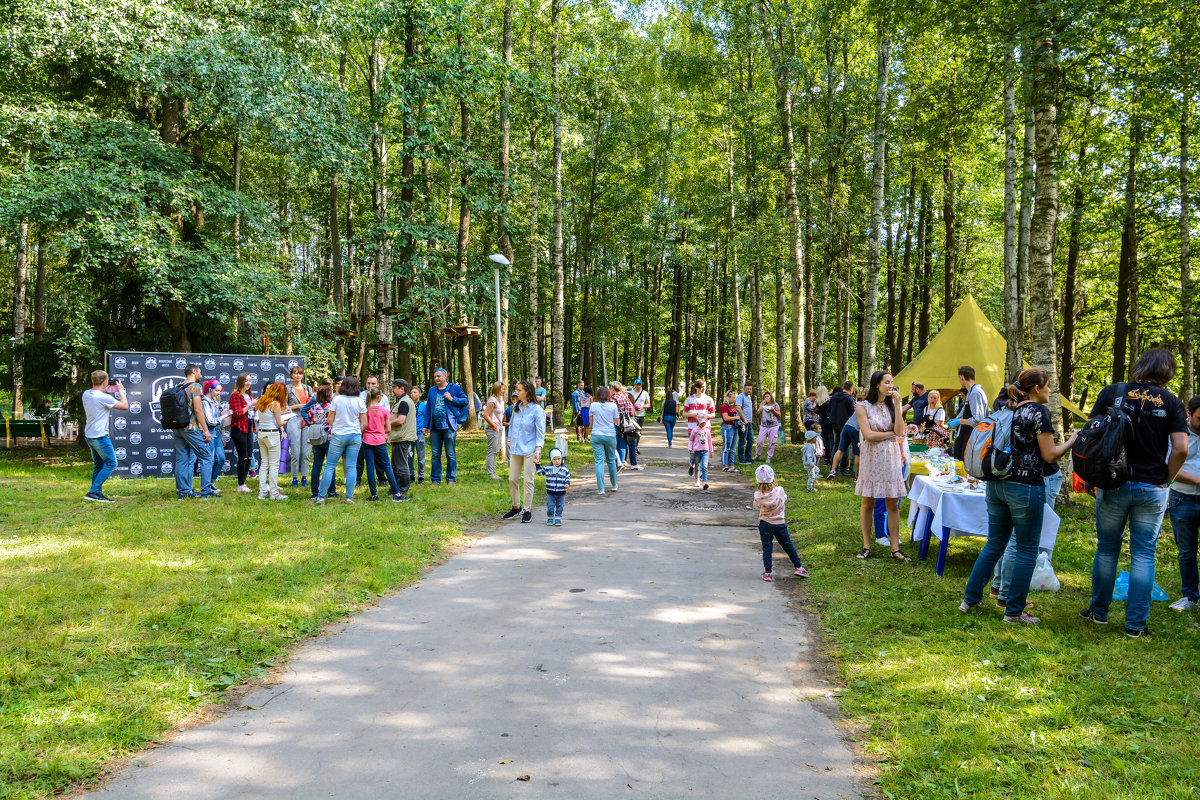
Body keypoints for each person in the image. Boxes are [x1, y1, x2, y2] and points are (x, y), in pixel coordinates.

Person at [1081, 348, 1189, 637]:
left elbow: (1089, 435)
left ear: (1140, 366)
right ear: (1169, 372)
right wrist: (1167, 478)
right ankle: (1135, 625)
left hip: (1114, 481)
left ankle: (1099, 613)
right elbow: (1180, 448)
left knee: (1107, 548)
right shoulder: (1173, 403)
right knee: (1144, 553)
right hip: (1152, 487)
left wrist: (1088, 475)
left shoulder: (1113, 392)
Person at [958, 368, 1079, 624]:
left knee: (994, 543)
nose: (1050, 391)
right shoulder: (1038, 412)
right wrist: (1071, 442)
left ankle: (970, 599)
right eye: (1048, 386)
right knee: (1026, 549)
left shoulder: (1006, 409)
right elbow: (1049, 455)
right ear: (1036, 389)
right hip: (1025, 487)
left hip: (996, 485)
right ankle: (1013, 612)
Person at [853, 371, 908, 561]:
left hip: (891, 457)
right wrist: (891, 434)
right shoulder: (862, 406)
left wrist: (898, 405)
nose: (890, 385)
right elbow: (868, 435)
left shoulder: (893, 405)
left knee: (892, 501)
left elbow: (901, 431)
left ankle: (895, 548)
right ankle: (866, 546)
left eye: (892, 382)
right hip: (871, 456)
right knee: (868, 500)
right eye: (887, 382)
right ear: (877, 384)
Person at [1167, 396, 1200, 612]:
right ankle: (1190, 598)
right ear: (1189, 413)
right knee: (1187, 551)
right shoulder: (1177, 436)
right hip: (1182, 498)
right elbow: (1169, 468)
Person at [315, 376, 367, 504]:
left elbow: (330, 418)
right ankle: (349, 497)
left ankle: (321, 497)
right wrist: (356, 431)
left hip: (338, 435)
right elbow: (365, 423)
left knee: (329, 466)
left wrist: (336, 427)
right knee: (351, 467)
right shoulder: (359, 401)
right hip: (354, 435)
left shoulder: (337, 400)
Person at [753, 464, 808, 581]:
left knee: (767, 548)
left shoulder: (757, 495)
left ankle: (768, 573)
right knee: (788, 545)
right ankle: (798, 567)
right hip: (779, 524)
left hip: (765, 523)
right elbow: (785, 498)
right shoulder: (780, 490)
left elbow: (756, 506)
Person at [171, 364, 216, 500]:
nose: (201, 374)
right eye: (200, 372)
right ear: (194, 371)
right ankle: (206, 491)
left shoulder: (178, 386)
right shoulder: (195, 387)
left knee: (182, 460)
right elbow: (198, 410)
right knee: (206, 457)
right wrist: (206, 430)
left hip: (178, 428)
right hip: (191, 428)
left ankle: (183, 492)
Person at [82, 369, 128, 502]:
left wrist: (106, 389)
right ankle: (92, 490)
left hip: (89, 434)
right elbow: (125, 406)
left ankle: (97, 494)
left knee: (99, 465)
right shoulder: (103, 397)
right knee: (111, 463)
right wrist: (121, 391)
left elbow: (99, 395)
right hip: (99, 435)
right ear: (106, 381)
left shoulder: (86, 394)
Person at [502, 381, 545, 522]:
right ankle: (516, 507)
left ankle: (527, 509)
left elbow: (540, 432)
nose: (517, 392)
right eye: (516, 390)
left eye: (519, 390)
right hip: (516, 448)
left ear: (527, 392)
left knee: (528, 480)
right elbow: (512, 425)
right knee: (512, 478)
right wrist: (509, 440)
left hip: (530, 449)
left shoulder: (537, 410)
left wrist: (538, 450)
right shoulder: (516, 406)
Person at [423, 367, 469, 485]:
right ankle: (435, 479)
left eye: (438, 376)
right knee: (435, 454)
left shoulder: (455, 388)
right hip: (435, 427)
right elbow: (428, 408)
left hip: (449, 426)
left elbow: (465, 401)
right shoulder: (432, 390)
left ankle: (451, 479)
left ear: (445, 376)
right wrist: (425, 425)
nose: (436, 378)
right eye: (435, 377)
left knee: (450, 454)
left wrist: (452, 398)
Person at [361, 386, 402, 502]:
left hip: (367, 440)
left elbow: (363, 426)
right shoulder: (384, 410)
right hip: (379, 441)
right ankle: (396, 493)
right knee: (387, 466)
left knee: (370, 467)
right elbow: (388, 429)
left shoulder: (365, 410)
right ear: (379, 397)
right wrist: (379, 431)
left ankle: (373, 495)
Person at [254, 381, 288, 500]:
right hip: (272, 435)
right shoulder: (275, 403)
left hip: (261, 434)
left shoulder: (262, 401)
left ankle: (263, 491)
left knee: (264, 463)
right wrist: (287, 420)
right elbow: (279, 423)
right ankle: (274, 492)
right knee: (274, 465)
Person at [387, 379, 416, 501]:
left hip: (402, 438)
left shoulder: (403, 402)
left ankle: (402, 489)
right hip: (399, 437)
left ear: (401, 388)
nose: (392, 390)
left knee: (401, 465)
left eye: (394, 388)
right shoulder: (403, 401)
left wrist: (386, 424)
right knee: (396, 464)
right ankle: (397, 488)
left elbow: (400, 420)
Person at [952, 366, 990, 461]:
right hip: (965, 436)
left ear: (961, 377)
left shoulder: (975, 393)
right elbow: (965, 411)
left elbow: (978, 419)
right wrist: (957, 418)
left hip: (972, 437)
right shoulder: (971, 392)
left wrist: (959, 421)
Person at [589, 386, 620, 495]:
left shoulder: (593, 405)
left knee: (599, 462)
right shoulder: (613, 406)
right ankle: (614, 485)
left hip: (596, 435)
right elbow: (617, 423)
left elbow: (591, 423)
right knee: (611, 460)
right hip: (610, 435)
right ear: (608, 395)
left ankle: (601, 489)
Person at [228, 372, 256, 493]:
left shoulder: (249, 396)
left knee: (249, 457)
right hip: (239, 428)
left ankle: (243, 484)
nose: (248, 383)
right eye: (246, 380)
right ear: (240, 382)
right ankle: (240, 484)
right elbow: (238, 413)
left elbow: (251, 414)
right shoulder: (235, 396)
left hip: (249, 427)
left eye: (250, 380)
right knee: (243, 457)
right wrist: (250, 405)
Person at [285, 366, 312, 487]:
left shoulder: (308, 388)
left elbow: (313, 403)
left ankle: (304, 477)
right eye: (295, 373)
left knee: (306, 452)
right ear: (291, 375)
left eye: (300, 373)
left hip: (307, 420)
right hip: (293, 419)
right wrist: (298, 406)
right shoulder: (287, 388)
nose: (298, 376)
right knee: (295, 452)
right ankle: (295, 477)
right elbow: (283, 407)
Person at [306, 383, 334, 499]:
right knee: (330, 465)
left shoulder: (313, 407)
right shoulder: (332, 407)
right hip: (329, 438)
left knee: (316, 465)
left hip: (317, 438)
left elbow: (310, 421)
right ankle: (331, 491)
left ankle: (314, 492)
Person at [201, 379, 228, 489]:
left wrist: (221, 435)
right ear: (210, 390)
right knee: (209, 460)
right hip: (209, 432)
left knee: (221, 458)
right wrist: (225, 416)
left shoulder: (215, 402)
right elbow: (210, 421)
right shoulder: (204, 402)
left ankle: (211, 482)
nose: (219, 393)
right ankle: (206, 486)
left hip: (217, 433)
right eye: (217, 391)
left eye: (220, 391)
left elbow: (218, 422)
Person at [537, 447, 571, 526]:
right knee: (550, 506)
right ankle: (550, 518)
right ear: (551, 460)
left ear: (561, 459)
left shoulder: (564, 469)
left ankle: (558, 518)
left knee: (560, 506)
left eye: (559, 459)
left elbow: (567, 477)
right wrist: (537, 465)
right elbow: (540, 473)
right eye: (554, 459)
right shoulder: (548, 468)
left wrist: (567, 484)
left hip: (561, 492)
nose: (557, 461)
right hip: (550, 492)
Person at [828, 403, 861, 478]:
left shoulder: (861, 404)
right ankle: (857, 477)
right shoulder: (870, 407)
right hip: (855, 429)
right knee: (857, 454)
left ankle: (832, 471)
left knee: (840, 450)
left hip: (846, 426)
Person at [482, 381, 506, 479]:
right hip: (493, 429)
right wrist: (494, 426)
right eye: (502, 389)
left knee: (495, 450)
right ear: (497, 389)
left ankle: (493, 471)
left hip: (498, 428)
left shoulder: (498, 400)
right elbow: (485, 415)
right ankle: (490, 473)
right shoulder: (492, 400)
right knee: (492, 451)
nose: (504, 391)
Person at [828, 380, 857, 459]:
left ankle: (833, 466)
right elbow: (853, 413)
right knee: (843, 445)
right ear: (851, 389)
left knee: (836, 444)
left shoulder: (833, 397)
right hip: (845, 423)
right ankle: (842, 468)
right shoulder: (850, 398)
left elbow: (829, 409)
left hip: (834, 422)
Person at [611, 381, 636, 469]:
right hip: (624, 424)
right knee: (622, 444)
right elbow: (631, 412)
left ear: (613, 389)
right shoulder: (625, 398)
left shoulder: (612, 399)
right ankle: (621, 463)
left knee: (613, 444)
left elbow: (611, 412)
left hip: (614, 423)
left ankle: (617, 464)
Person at [688, 411, 713, 490]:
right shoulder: (695, 430)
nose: (703, 424)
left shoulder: (707, 431)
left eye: (704, 422)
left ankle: (704, 482)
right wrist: (690, 448)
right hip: (696, 451)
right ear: (698, 422)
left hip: (705, 451)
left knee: (705, 466)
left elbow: (709, 441)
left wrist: (711, 450)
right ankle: (697, 480)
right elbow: (691, 440)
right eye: (701, 423)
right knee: (697, 467)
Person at [755, 391, 783, 463]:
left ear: (771, 397)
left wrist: (773, 410)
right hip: (764, 426)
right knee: (760, 442)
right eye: (765, 397)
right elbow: (758, 412)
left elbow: (779, 415)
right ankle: (757, 455)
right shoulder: (763, 404)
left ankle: (769, 457)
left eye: (768, 396)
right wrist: (763, 404)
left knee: (772, 442)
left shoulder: (775, 405)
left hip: (773, 426)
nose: (766, 398)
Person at [734, 382, 755, 464]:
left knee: (751, 440)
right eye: (747, 389)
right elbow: (738, 408)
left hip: (749, 422)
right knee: (742, 441)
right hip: (743, 423)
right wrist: (744, 419)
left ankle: (748, 458)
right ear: (744, 388)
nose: (749, 390)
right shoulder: (740, 396)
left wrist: (750, 419)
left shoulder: (749, 397)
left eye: (750, 389)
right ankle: (741, 459)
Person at [720, 391, 740, 472]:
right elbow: (726, 418)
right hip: (727, 428)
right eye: (733, 397)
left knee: (733, 448)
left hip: (734, 428)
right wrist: (736, 418)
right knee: (726, 447)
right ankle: (725, 466)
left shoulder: (732, 406)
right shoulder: (724, 406)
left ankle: (731, 465)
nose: (734, 399)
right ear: (728, 397)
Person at [412, 385, 426, 484]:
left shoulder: (423, 406)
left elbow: (426, 418)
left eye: (415, 392)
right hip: (410, 434)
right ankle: (411, 475)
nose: (413, 394)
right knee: (409, 455)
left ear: (420, 394)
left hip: (419, 434)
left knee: (421, 456)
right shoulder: (409, 404)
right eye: (411, 392)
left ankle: (421, 476)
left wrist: (426, 428)